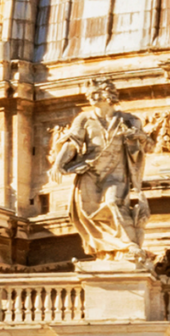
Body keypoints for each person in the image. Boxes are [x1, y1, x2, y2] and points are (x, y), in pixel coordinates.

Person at [49, 75, 151, 262]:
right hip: (89, 171)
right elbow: (72, 144)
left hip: (117, 172)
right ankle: (108, 251)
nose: (92, 97)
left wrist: (137, 137)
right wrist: (57, 164)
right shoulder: (84, 118)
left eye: (96, 93)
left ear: (108, 94)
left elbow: (148, 146)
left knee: (113, 202)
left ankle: (128, 244)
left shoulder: (129, 120)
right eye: (90, 94)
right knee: (89, 212)